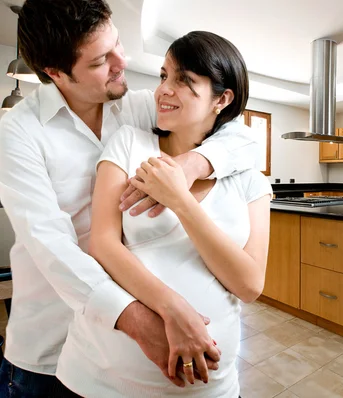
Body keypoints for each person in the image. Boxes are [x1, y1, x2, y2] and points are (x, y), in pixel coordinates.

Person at [0, 0, 260, 396]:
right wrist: (144, 320)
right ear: (55, 73)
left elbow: (236, 133)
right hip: (50, 347)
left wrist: (191, 165)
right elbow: (50, 245)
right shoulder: (18, 133)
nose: (122, 62)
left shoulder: (138, 108)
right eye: (102, 59)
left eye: (118, 42)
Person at [55, 30, 271, 397]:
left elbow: (249, 285)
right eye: (163, 75)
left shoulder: (249, 178)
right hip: (104, 381)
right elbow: (104, 245)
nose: (163, 90)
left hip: (210, 388)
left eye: (183, 80)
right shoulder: (128, 142)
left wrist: (181, 200)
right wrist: (174, 309)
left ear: (222, 98)